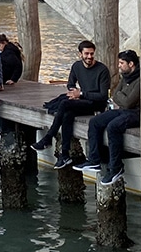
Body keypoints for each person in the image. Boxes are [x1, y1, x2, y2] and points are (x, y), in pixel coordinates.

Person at [32, 40, 110, 169]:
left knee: (64, 104)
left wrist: (81, 94)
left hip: (96, 104)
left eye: (92, 54)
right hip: (81, 101)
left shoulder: (102, 70)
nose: (89, 57)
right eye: (86, 54)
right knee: (67, 114)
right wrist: (73, 91)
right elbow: (70, 83)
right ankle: (65, 154)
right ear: (80, 54)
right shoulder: (76, 66)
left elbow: (103, 96)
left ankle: (48, 138)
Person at [73, 50, 141, 186]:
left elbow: (128, 102)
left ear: (131, 64)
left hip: (137, 113)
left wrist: (122, 98)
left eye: (122, 63)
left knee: (113, 127)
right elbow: (115, 95)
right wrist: (122, 97)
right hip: (123, 110)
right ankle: (94, 160)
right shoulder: (125, 77)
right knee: (95, 122)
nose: (119, 66)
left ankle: (116, 167)